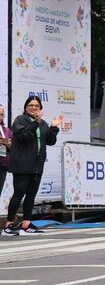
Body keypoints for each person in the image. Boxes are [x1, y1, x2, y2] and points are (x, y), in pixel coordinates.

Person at [3, 96, 62, 236]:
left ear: (40, 108)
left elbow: (50, 141)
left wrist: (53, 128)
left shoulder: (43, 123)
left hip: (37, 166)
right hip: (22, 165)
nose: (34, 107)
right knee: (18, 194)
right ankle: (8, 225)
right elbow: (24, 136)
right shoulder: (20, 120)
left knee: (31, 196)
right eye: (31, 105)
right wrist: (36, 122)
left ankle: (26, 224)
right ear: (25, 107)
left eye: (37, 105)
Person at [0, 105, 11, 201]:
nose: (0, 116)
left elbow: (14, 146)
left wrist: (6, 142)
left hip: (3, 165)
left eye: (1, 115)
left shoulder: (6, 130)